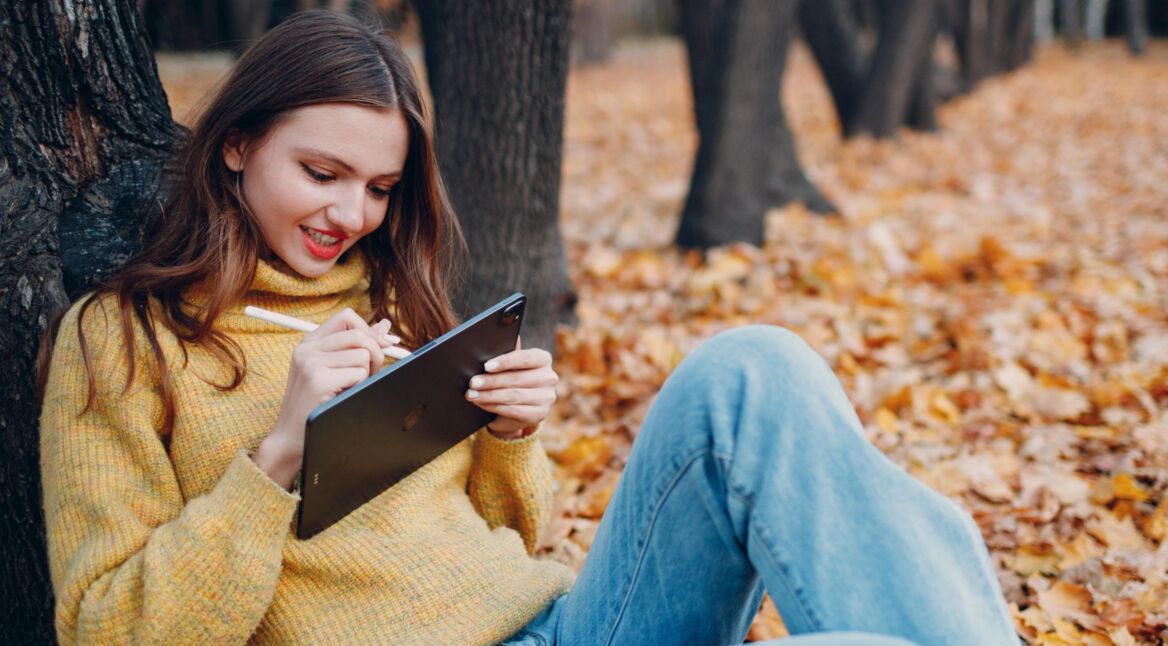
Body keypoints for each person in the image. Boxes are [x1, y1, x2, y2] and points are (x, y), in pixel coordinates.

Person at [37, 10, 1019, 646]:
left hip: (564, 626)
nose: (351, 214)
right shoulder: (121, 341)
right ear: (239, 144)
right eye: (321, 174)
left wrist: (510, 438)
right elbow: (110, 627)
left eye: (379, 187)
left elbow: (505, 537)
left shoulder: (384, 297)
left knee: (753, 368)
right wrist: (275, 459)